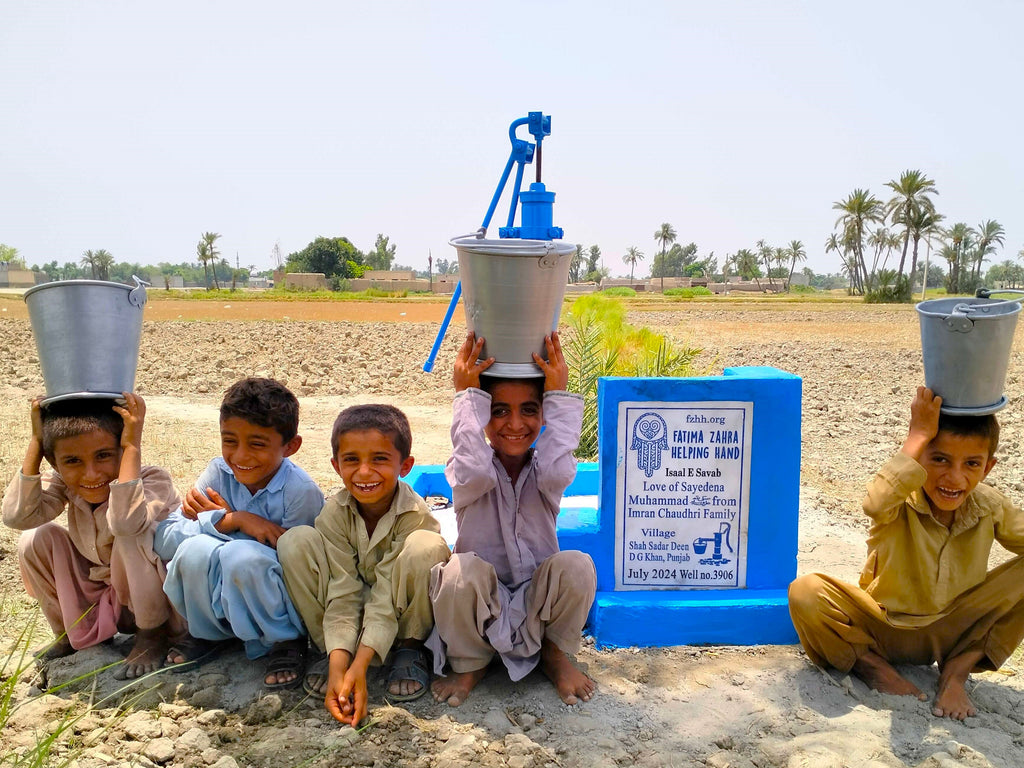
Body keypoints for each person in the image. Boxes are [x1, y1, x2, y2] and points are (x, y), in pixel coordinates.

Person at [789, 386, 1024, 720]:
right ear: (918, 458)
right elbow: (874, 502)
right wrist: (919, 434)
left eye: (971, 463)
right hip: (882, 626)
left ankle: (956, 672)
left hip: (953, 632)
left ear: (987, 468)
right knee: (805, 592)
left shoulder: (990, 505)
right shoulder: (899, 499)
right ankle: (872, 667)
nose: (954, 477)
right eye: (940, 459)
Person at [427, 331, 597, 707]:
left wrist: (557, 395)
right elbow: (474, 467)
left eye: (530, 409)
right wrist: (466, 396)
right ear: (482, 416)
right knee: (458, 572)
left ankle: (553, 655)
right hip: (481, 606)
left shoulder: (547, 474)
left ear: (543, 414)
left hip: (538, 602)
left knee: (577, 565)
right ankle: (472, 662)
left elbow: (557, 460)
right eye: (499, 410)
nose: (515, 424)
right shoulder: (467, 469)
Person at [278, 404, 450, 726]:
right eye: (352, 460)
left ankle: (408, 650)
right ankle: (329, 652)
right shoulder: (333, 515)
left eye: (379, 459)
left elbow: (385, 595)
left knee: (427, 548)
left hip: (396, 616)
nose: (365, 472)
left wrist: (359, 666)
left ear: (405, 465)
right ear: (335, 465)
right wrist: (340, 663)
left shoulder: (415, 515)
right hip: (347, 614)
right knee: (295, 541)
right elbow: (342, 592)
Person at [153, 377, 323, 687]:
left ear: (290, 446)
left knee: (240, 556)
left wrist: (224, 531)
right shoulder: (219, 473)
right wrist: (234, 520)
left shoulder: (300, 491)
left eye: (257, 444)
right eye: (230, 441)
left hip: (279, 602)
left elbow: (305, 568)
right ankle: (209, 635)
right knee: (194, 551)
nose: (241, 456)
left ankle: (284, 641)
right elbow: (165, 541)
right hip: (229, 595)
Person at [3, 393, 181, 679]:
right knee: (36, 537)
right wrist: (37, 443)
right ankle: (68, 633)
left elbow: (125, 523)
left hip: (158, 603)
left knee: (129, 534)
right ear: (56, 463)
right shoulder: (66, 483)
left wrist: (132, 444)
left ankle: (151, 637)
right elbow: (17, 517)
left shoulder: (153, 480)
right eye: (72, 461)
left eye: (104, 455)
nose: (91, 473)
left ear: (123, 451)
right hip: (109, 600)